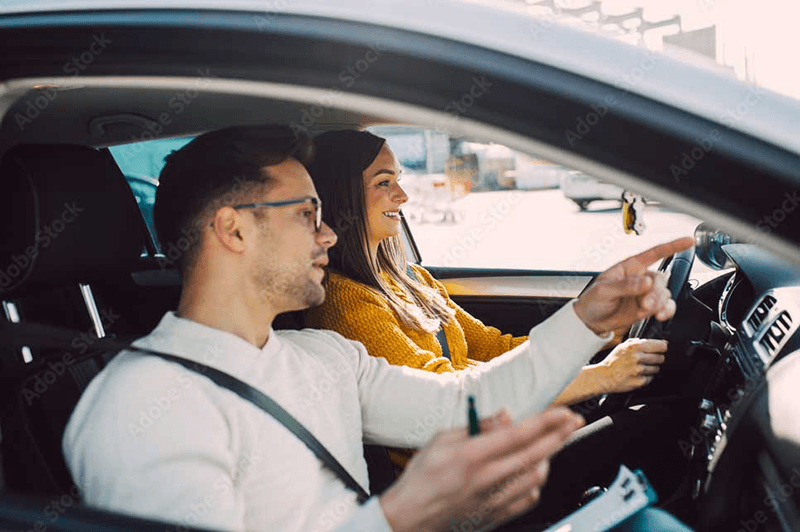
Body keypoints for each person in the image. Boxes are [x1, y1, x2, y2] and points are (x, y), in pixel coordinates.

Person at [62, 125, 693, 532]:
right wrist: (403, 517)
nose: (330, 233)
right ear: (234, 230)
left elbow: (464, 403)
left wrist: (586, 321)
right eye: (308, 214)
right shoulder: (141, 404)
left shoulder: (325, 355)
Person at [303, 129, 694, 520]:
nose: (402, 196)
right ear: (344, 196)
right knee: (660, 422)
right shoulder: (344, 302)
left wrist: (606, 337)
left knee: (651, 419)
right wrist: (603, 375)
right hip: (465, 490)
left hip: (500, 449)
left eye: (399, 180)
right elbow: (449, 397)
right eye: (383, 183)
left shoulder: (411, 280)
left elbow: (494, 347)